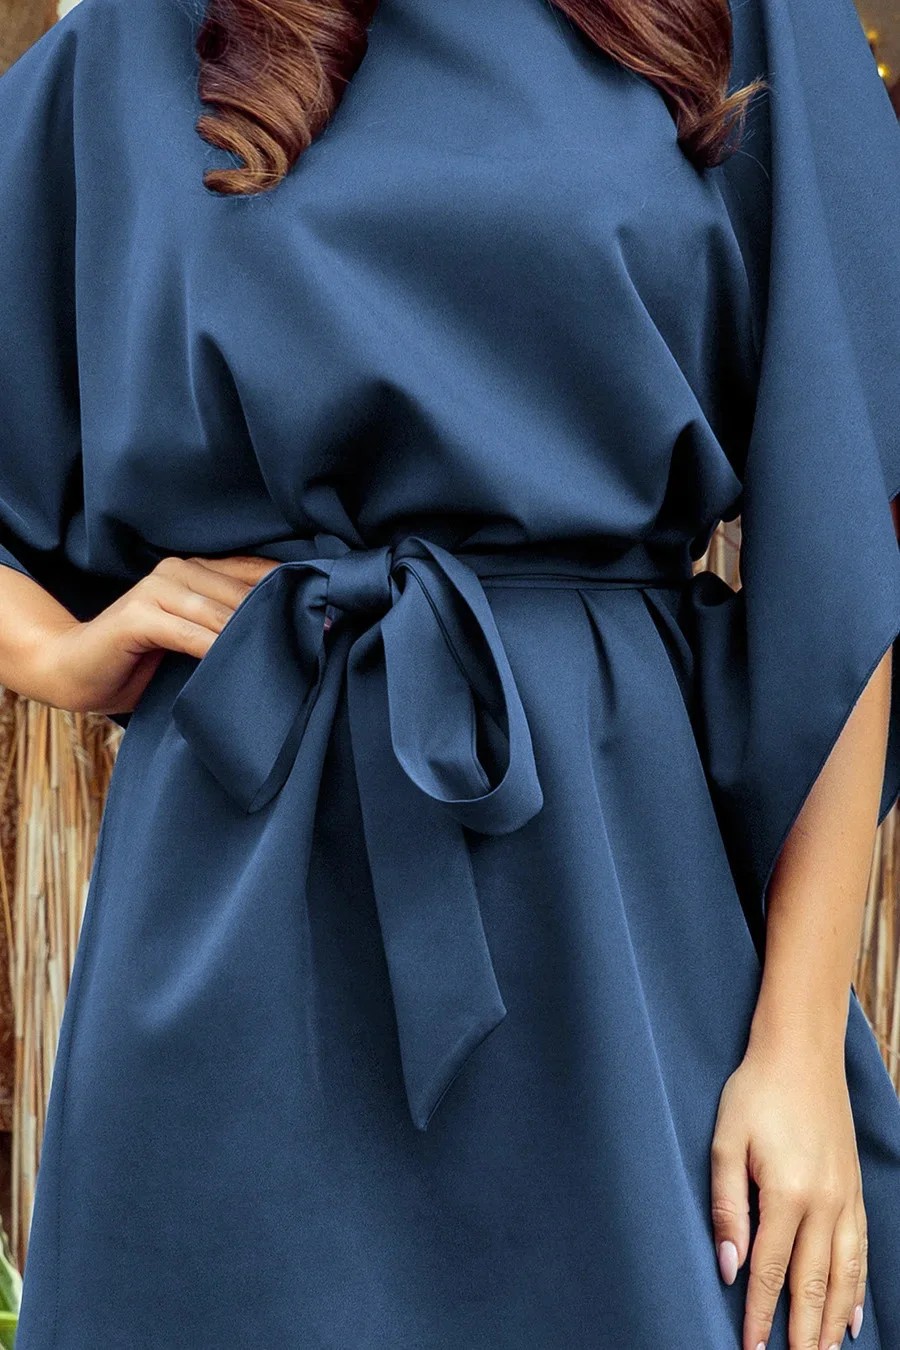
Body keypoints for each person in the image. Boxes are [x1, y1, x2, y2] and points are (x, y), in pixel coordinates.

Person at [1, 0, 899, 1344]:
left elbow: (843, 545)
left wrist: (797, 1047)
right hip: (231, 927)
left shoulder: (741, 15)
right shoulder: (142, 39)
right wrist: (60, 652)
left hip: (613, 903)